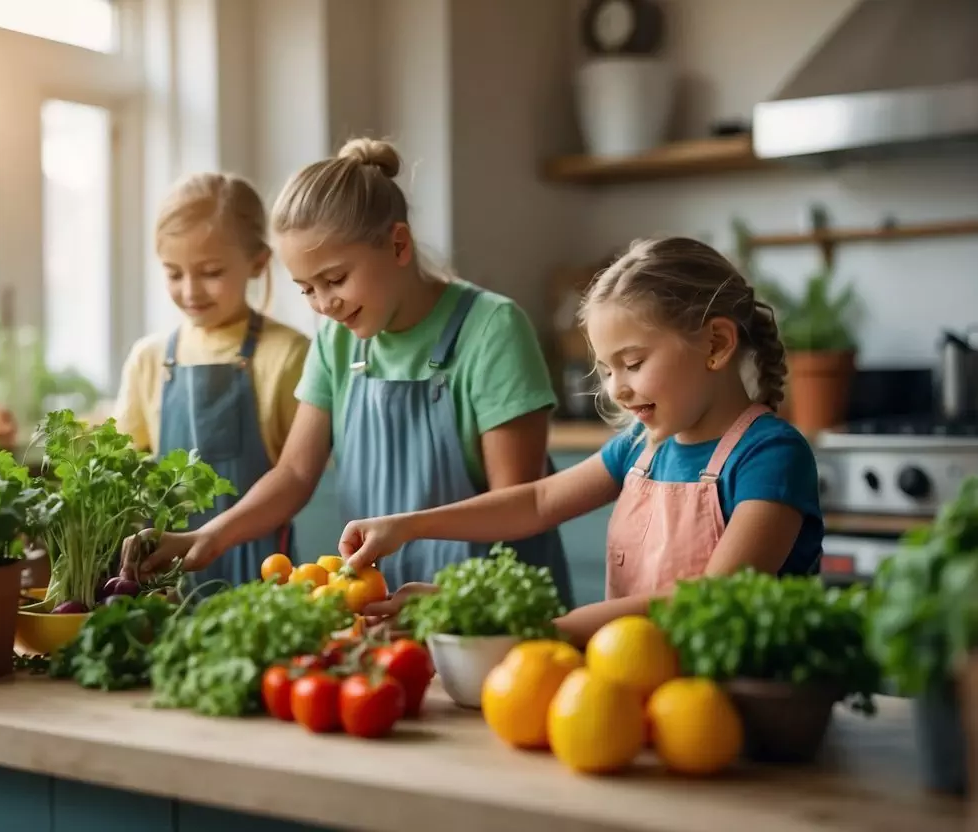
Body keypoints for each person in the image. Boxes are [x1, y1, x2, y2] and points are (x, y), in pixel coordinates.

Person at [121, 138, 571, 605]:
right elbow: (295, 472)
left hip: (491, 614)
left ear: (398, 244)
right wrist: (209, 537)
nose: (324, 304)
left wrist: (443, 598)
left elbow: (519, 504)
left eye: (335, 280)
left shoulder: (492, 329)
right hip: (382, 609)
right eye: (306, 290)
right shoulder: (337, 341)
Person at [339, 236, 823, 647]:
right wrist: (407, 526)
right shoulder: (641, 446)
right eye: (607, 369)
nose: (617, 388)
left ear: (716, 344)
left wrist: (524, 627)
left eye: (633, 363)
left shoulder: (769, 456)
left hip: (743, 716)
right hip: (639, 689)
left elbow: (712, 601)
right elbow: (538, 500)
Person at [112, 172, 310, 588]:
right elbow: (122, 476)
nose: (190, 290)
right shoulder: (149, 360)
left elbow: (303, 477)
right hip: (164, 585)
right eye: (173, 273)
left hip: (259, 582)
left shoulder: (290, 354)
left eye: (210, 271)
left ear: (257, 262)